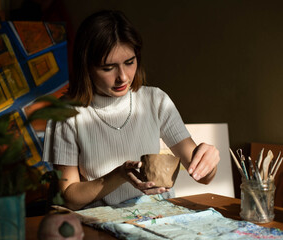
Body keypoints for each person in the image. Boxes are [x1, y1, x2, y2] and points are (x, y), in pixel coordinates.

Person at [47, 10, 220, 211]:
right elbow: (68, 196)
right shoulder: (66, 115)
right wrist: (119, 175)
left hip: (157, 217)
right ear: (86, 67)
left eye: (129, 62)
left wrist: (209, 161)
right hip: (100, 223)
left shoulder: (155, 100)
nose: (123, 77)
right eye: (108, 67)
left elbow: (202, 176)